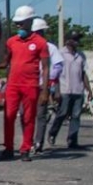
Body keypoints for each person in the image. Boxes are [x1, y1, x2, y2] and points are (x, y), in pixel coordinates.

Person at [0, 5, 49, 161]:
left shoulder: (40, 42)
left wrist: (45, 90)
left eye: (21, 23)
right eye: (17, 23)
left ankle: (25, 149)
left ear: (30, 21)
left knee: (28, 118)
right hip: (13, 85)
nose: (19, 26)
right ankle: (8, 148)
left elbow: (46, 68)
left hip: (31, 85)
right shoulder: (11, 41)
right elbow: (4, 63)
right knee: (9, 116)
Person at [46, 34, 93, 149]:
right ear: (68, 41)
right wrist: (56, 90)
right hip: (64, 89)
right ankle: (52, 133)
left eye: (78, 39)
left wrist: (89, 89)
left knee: (76, 116)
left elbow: (83, 73)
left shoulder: (81, 55)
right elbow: (55, 73)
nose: (77, 41)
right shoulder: (60, 53)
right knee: (62, 113)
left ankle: (72, 140)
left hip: (78, 89)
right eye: (74, 39)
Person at [30, 17, 63, 153]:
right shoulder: (27, 45)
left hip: (42, 85)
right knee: (26, 114)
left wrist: (47, 81)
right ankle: (28, 141)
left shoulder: (50, 47)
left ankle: (38, 142)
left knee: (41, 115)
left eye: (39, 32)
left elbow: (58, 66)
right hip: (28, 84)